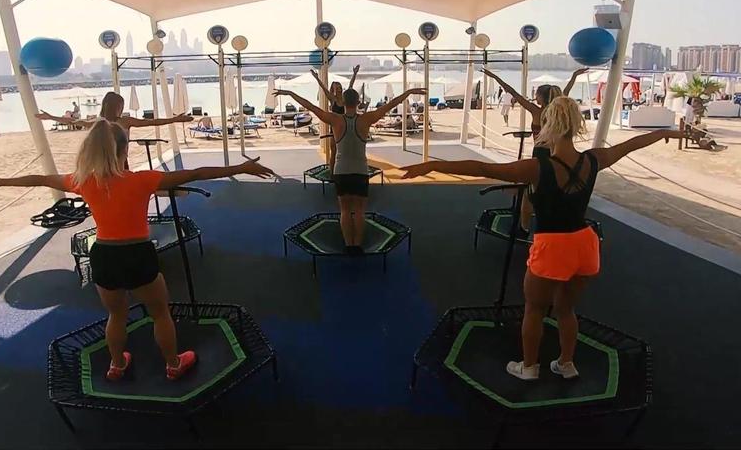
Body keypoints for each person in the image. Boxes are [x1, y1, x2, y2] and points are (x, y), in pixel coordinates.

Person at [401, 96, 685, 381]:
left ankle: (529, 367)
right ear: (575, 125)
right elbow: (634, 144)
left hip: (552, 246)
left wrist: (432, 166)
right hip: (585, 245)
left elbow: (484, 169)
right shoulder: (594, 159)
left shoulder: (538, 167)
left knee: (535, 309)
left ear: (549, 124)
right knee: (565, 309)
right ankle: (566, 363)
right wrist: (668, 133)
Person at [0, 119, 274, 382]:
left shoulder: (82, 182)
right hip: (137, 254)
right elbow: (195, 173)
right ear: (124, 149)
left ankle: (116, 365)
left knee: (115, 316)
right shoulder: (143, 180)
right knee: (159, 314)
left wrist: (1, 181)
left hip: (103, 255)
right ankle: (173, 364)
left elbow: (39, 180)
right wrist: (242, 167)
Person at [275, 85, 426, 251]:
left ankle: (349, 246)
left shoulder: (335, 119)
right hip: (361, 171)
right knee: (360, 211)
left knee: (345, 211)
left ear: (343, 102)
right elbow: (391, 104)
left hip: (341, 171)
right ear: (359, 102)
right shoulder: (366, 119)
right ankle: (358, 246)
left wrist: (290, 93)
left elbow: (310, 106)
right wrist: (409, 92)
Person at [482, 67, 588, 232]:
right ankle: (554, 222)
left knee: (529, 192)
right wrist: (574, 76)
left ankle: (523, 228)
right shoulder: (559, 109)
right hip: (555, 154)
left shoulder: (536, 111)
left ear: (541, 97)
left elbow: (513, 92)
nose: (535, 97)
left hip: (540, 154)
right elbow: (567, 90)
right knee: (553, 188)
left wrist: (494, 76)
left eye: (537, 94)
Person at [37, 91, 192, 134]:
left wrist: (50, 117)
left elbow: (72, 122)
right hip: (119, 163)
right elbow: (153, 122)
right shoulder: (124, 122)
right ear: (117, 106)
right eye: (121, 105)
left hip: (102, 164)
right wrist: (175, 120)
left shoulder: (97, 122)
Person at [310, 65, 360, 173]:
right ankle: (332, 173)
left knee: (346, 153)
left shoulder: (346, 98)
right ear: (333, 90)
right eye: (337, 89)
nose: (339, 90)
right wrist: (316, 77)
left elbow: (351, 86)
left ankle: (348, 172)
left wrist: (355, 73)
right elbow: (323, 88)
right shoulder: (332, 100)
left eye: (340, 88)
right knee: (334, 152)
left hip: (346, 128)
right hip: (335, 129)